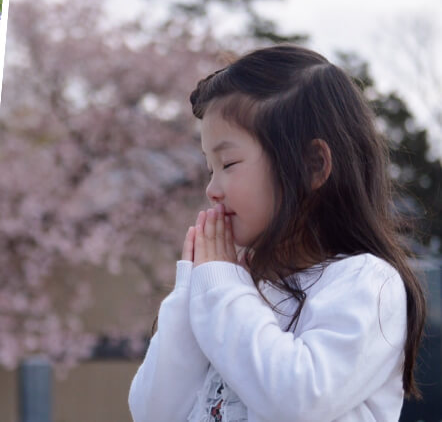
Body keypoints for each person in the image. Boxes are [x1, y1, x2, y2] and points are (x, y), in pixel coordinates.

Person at [128, 45, 426, 421]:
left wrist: (221, 289)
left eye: (229, 163)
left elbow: (297, 400)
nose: (212, 190)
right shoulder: (232, 286)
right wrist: (194, 290)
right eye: (210, 169)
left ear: (313, 165)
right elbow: (153, 411)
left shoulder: (366, 283)